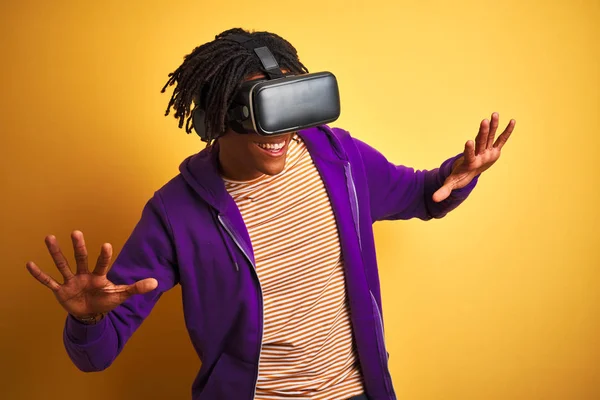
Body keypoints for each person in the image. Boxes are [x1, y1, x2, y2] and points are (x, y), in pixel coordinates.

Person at [26, 28, 515, 400]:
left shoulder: (337, 157)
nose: (281, 130)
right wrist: (87, 323)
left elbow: (420, 194)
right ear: (215, 118)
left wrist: (460, 173)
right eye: (261, 109)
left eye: (289, 103)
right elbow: (98, 354)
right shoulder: (174, 213)